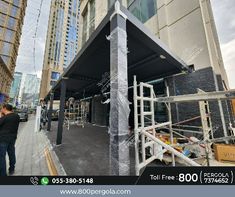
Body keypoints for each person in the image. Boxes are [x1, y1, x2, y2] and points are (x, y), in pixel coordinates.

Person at [0, 103, 20, 176]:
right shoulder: (16, 116)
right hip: (12, 138)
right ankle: (11, 169)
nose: (1, 109)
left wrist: (1, 116)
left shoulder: (4, 118)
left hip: (3, 139)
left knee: (1, 157)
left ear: (5, 108)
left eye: (2, 108)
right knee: (11, 153)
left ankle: (3, 174)